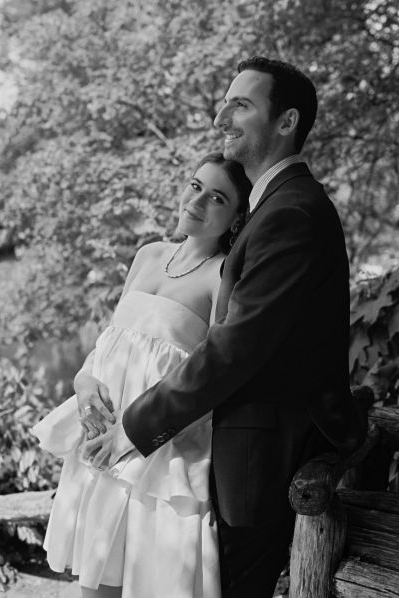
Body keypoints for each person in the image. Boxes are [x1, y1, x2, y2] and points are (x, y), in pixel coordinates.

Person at [83, 56, 367, 597]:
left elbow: (237, 346)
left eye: (241, 104)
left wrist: (135, 428)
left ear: (285, 122)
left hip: (265, 457)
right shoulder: (277, 208)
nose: (221, 117)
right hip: (248, 451)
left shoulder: (292, 213)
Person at [32, 152, 252, 598]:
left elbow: (212, 374)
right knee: (92, 584)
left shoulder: (221, 276)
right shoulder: (149, 254)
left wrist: (138, 438)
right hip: (99, 442)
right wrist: (83, 379)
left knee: (143, 584)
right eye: (195, 187)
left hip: (155, 453)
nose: (198, 201)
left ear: (235, 218)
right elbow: (109, 342)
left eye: (217, 198)